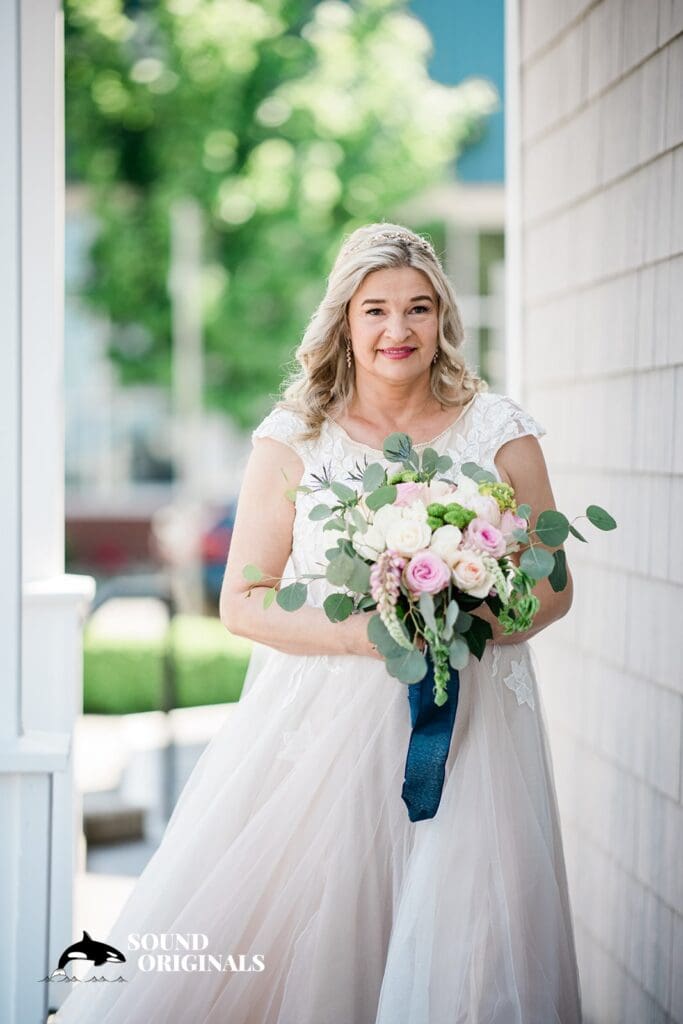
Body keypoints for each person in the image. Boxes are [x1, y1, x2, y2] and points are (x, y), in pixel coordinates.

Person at [55, 223, 582, 1023]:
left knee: (465, 934)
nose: (397, 330)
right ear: (343, 320)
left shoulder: (499, 432)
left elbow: (553, 588)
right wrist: (381, 632)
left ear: (443, 317)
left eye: (418, 308)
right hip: (320, 735)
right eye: (375, 310)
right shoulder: (294, 438)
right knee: (314, 936)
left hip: (476, 734)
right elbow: (244, 598)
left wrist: (460, 618)